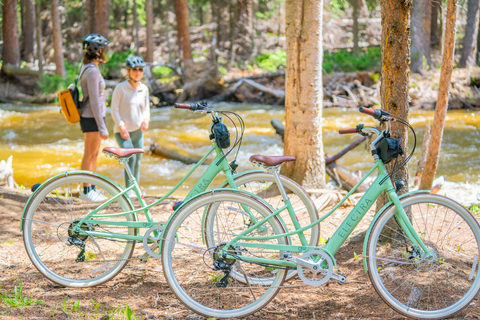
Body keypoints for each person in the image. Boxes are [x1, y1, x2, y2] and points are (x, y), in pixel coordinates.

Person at [111, 56, 150, 196]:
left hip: (137, 130)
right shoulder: (120, 88)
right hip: (122, 131)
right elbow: (114, 109)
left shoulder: (144, 89)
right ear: (128, 71)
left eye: (140, 70)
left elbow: (146, 108)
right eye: (135, 69)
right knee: (130, 159)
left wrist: (146, 119)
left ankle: (136, 189)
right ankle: (128, 190)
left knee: (138, 160)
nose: (138, 72)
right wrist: (121, 126)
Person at [79, 33, 110, 201]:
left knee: (94, 154)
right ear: (98, 50)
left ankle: (92, 188)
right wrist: (102, 126)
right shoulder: (91, 71)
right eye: (103, 48)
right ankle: (85, 191)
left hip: (94, 117)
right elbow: (94, 101)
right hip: (92, 118)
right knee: (89, 153)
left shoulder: (89, 67)